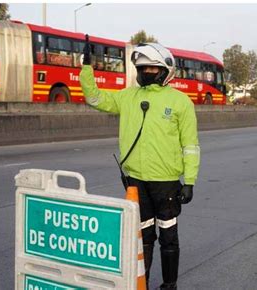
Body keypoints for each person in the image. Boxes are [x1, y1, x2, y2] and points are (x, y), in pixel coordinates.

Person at [80, 40, 200, 290]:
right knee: (143, 236)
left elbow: (190, 145)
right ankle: (140, 283)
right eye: (142, 69)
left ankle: (169, 285)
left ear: (166, 71)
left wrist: (189, 181)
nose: (145, 73)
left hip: (166, 183)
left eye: (151, 69)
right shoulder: (127, 96)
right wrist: (87, 69)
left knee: (168, 236)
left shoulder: (180, 102)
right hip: (135, 182)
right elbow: (94, 98)